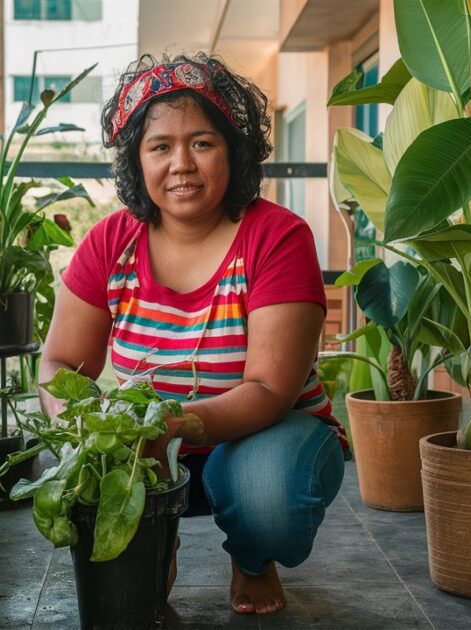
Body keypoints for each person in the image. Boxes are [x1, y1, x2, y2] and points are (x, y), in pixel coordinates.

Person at [38, 53, 347, 616]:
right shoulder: (112, 242)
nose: (181, 164)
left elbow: (270, 390)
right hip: (150, 451)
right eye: (160, 147)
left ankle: (254, 557)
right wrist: (86, 435)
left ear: (234, 150)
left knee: (267, 498)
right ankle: (161, 537)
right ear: (137, 158)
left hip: (261, 436)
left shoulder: (278, 237)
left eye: (202, 143)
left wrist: (169, 425)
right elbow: (60, 362)